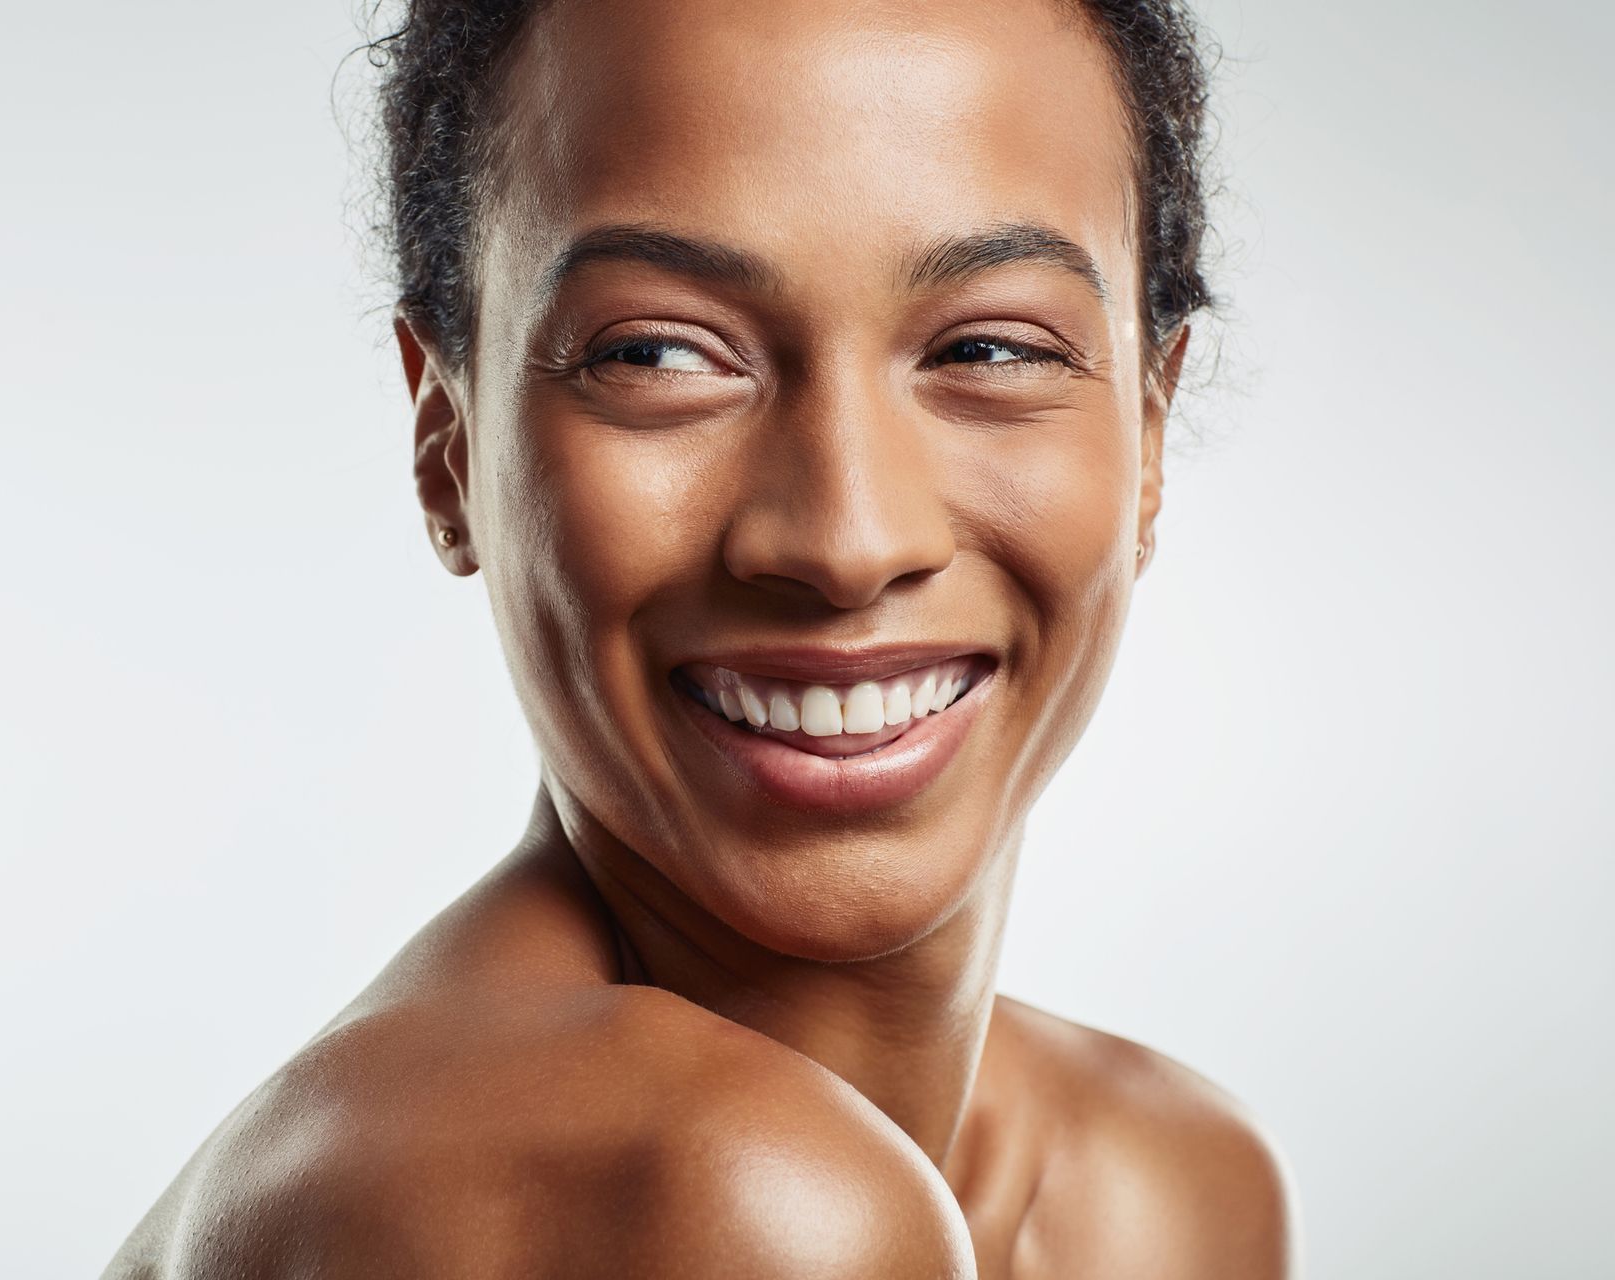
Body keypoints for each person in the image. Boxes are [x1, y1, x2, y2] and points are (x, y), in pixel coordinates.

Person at [104, 0, 1296, 1274]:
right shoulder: (722, 1196)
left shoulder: (1159, 1185)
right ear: (448, 441)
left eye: (990, 345)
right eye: (663, 352)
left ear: (1151, 433)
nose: (847, 537)